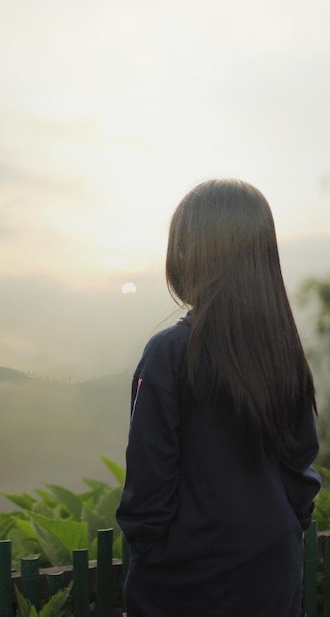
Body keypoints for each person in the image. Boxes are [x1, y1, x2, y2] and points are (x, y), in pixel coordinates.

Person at [116, 179, 320, 617]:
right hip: (273, 576)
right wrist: (281, 529)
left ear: (189, 255)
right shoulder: (284, 353)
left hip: (185, 583)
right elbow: (300, 466)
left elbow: (148, 485)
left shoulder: (168, 354)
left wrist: (152, 558)